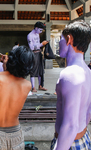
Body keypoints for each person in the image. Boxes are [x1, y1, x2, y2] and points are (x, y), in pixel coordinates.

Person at [51, 20, 91, 150]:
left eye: (60, 39)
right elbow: (89, 112)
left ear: (69, 39)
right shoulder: (87, 71)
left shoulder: (70, 74)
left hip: (69, 144)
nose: (59, 43)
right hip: (84, 138)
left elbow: (70, 126)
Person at [27, 21, 48, 92]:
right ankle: (33, 87)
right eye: (40, 30)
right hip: (33, 54)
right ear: (36, 28)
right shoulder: (30, 35)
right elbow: (32, 47)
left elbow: (37, 44)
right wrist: (41, 44)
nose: (41, 32)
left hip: (39, 53)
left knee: (40, 70)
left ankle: (40, 86)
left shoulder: (37, 34)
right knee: (33, 70)